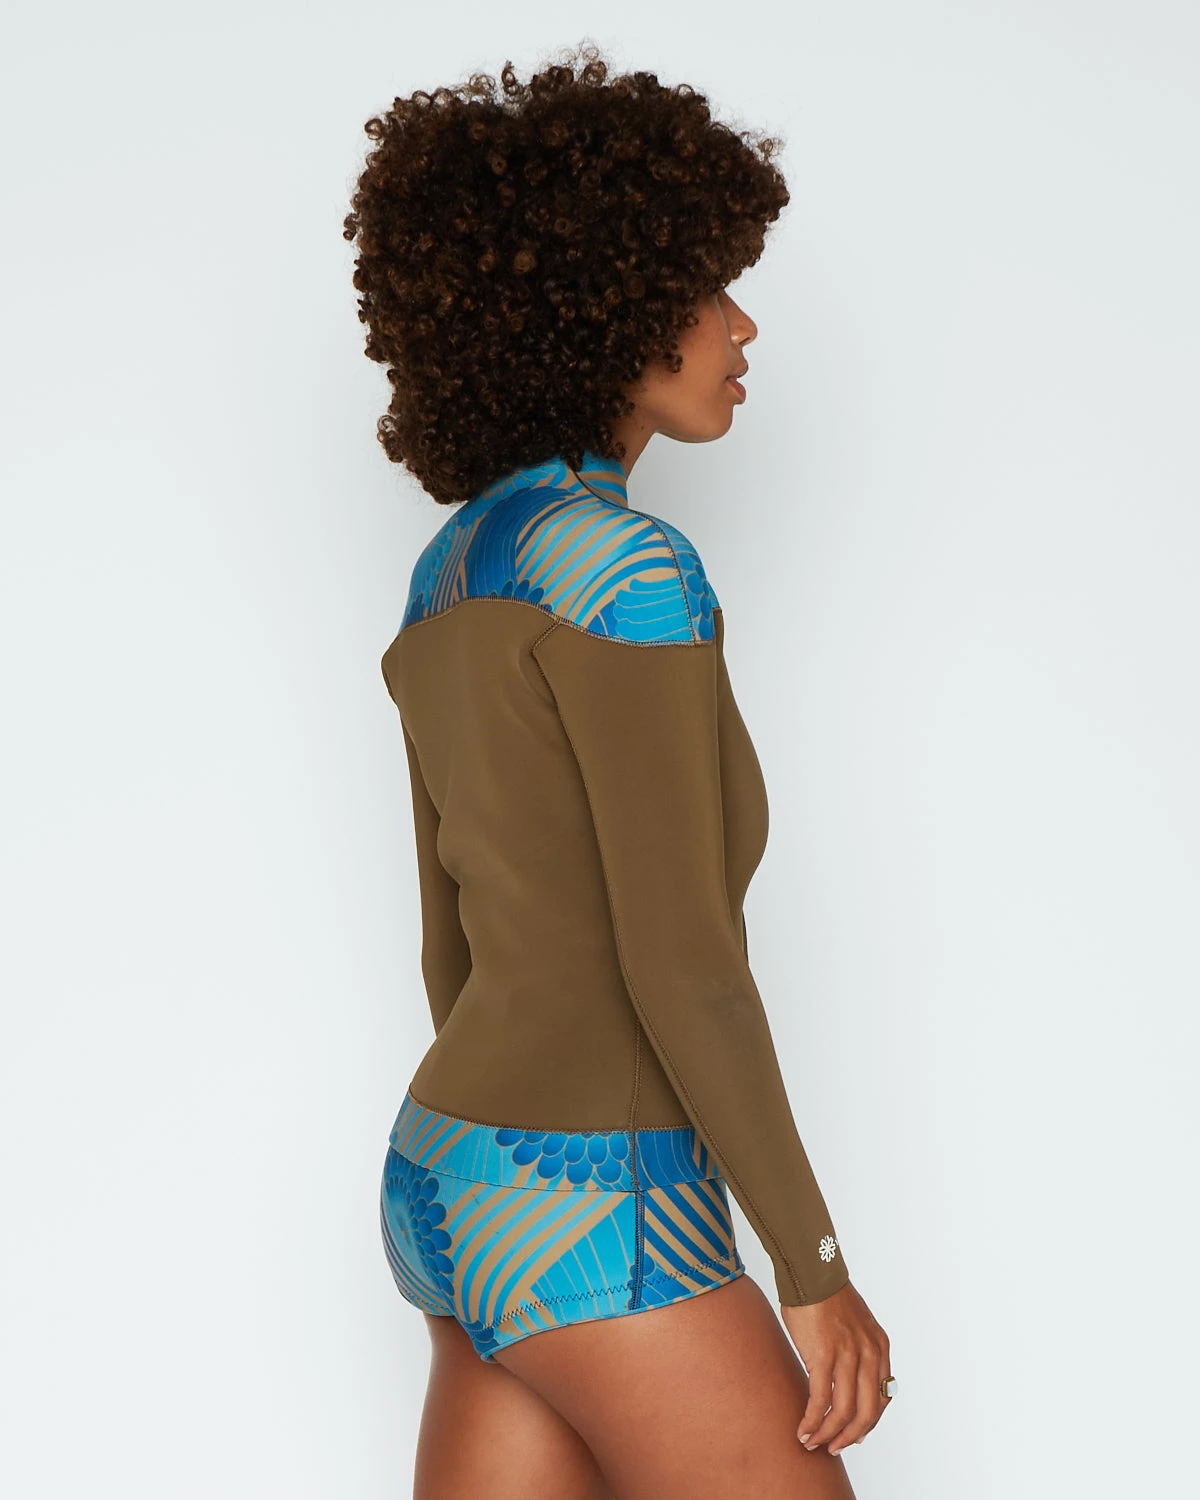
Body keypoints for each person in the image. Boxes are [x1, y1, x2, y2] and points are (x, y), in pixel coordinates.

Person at [344, 42, 894, 1499]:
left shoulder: (451, 570)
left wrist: (500, 1164)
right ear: (607, 308)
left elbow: (449, 948)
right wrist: (812, 1267)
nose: (741, 324)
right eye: (706, 288)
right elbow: (684, 961)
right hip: (598, 1198)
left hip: (448, 1172)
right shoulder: (631, 575)